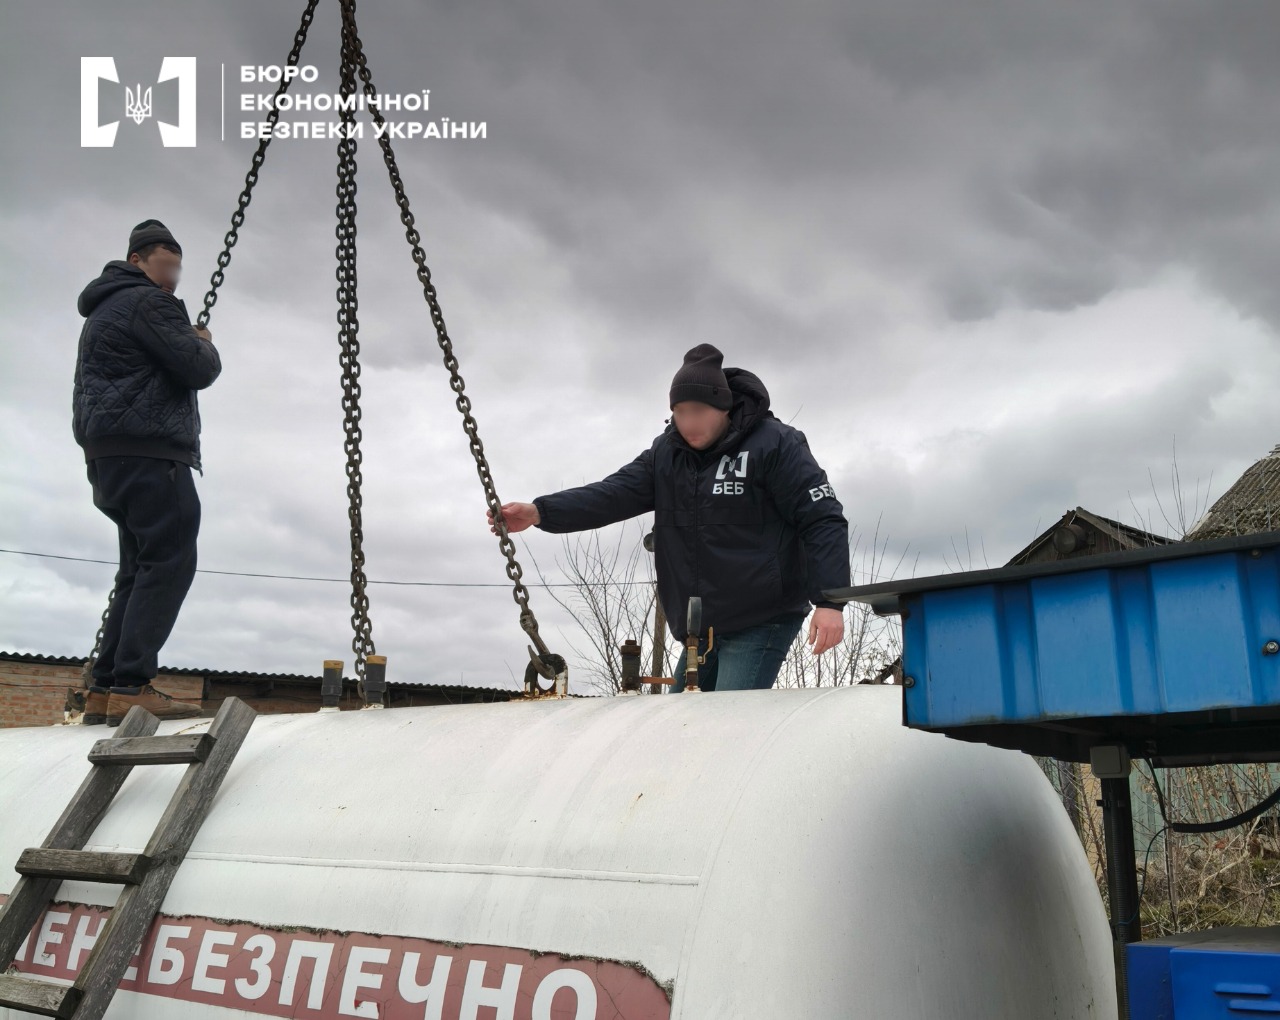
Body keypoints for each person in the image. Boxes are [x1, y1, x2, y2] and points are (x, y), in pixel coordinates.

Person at [488, 343, 850, 692]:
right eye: (680, 411)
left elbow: (822, 518)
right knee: (680, 722)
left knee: (730, 720)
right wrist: (540, 512)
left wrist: (829, 602)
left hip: (762, 618)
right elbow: (611, 494)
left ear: (723, 406)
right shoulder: (667, 454)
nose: (688, 422)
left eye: (699, 410)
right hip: (700, 630)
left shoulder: (775, 444)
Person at [73, 219, 221, 725]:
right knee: (170, 561)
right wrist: (202, 341)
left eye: (178, 266)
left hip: (108, 455)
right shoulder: (148, 302)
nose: (173, 276)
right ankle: (132, 684)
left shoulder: (104, 308)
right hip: (151, 452)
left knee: (138, 567)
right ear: (137, 259)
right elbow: (198, 368)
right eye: (166, 263)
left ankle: (105, 688)